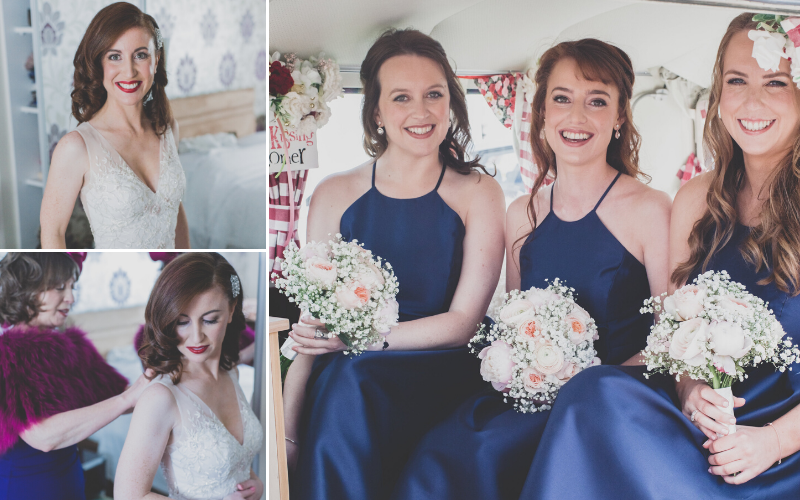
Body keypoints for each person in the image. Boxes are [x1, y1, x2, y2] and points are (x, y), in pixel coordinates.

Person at [521, 13, 800, 499]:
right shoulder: (696, 200)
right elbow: (676, 334)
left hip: (782, 444)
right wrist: (690, 390)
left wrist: (772, 442)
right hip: (701, 426)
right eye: (737, 81)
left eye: (775, 82)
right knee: (593, 391)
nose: (752, 101)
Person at [391, 38, 671, 500]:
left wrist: (585, 387)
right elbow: (514, 326)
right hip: (536, 399)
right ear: (541, 112)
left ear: (620, 116)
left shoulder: (651, 209)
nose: (576, 117)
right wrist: (525, 374)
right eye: (561, 98)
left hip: (614, 401)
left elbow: (669, 336)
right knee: (448, 452)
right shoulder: (522, 213)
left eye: (597, 101)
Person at [282, 29, 506, 500]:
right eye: (401, 97)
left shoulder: (479, 193)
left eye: (434, 94)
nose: (421, 111)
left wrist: (359, 340)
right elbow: (313, 326)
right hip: (352, 376)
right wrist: (287, 434)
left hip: (445, 367)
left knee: (354, 374)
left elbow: (463, 323)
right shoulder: (333, 194)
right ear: (377, 113)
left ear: (451, 102)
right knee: (349, 376)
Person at [114, 253, 264, 500]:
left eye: (209, 320)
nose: (196, 337)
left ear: (231, 309)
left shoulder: (231, 373)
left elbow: (235, 461)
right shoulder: (160, 397)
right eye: (182, 322)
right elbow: (128, 497)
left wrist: (255, 483)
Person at [40, 2, 189, 249]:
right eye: (114, 56)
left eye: (140, 55)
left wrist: (185, 259)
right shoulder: (76, 147)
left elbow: (174, 209)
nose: (129, 71)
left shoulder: (168, 128)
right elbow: (52, 232)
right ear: (99, 64)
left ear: (156, 60)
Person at [0, 253, 148, 500]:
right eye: (60, 287)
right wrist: (127, 399)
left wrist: (157, 376)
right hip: (25, 489)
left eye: (72, 286)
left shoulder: (73, 347)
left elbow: (123, 395)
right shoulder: (7, 355)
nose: (71, 297)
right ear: (27, 290)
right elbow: (43, 436)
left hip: (71, 483)